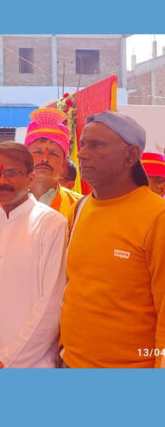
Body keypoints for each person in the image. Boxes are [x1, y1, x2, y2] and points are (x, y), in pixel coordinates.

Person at [60, 111, 165, 368]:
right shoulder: (79, 208)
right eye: (83, 144)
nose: (82, 154)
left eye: (96, 145)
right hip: (70, 363)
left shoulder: (157, 217)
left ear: (131, 155)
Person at [0, 141, 67, 368]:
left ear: (31, 177)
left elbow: (51, 307)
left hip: (34, 365)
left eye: (12, 173)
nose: (2, 181)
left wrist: (6, 361)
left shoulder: (51, 225)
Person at [24, 108, 82, 217]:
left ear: (63, 164)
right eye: (38, 152)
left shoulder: (79, 207)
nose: (45, 158)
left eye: (53, 154)